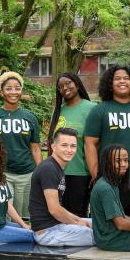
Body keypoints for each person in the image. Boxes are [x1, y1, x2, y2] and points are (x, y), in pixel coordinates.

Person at [85, 66, 130, 222]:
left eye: (126, 78)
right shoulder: (99, 111)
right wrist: (96, 174)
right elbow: (90, 144)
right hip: (112, 180)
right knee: (112, 225)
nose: (122, 81)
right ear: (110, 83)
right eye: (117, 78)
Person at [0, 71, 41, 220]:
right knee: (6, 215)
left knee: (25, 216)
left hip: (27, 174)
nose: (13, 92)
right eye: (8, 88)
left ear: (21, 90)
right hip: (2, 173)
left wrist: (40, 172)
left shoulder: (30, 118)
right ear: (1, 91)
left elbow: (35, 147)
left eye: (17, 88)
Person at [29, 128, 94, 247]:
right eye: (64, 145)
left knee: (102, 224)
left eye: (73, 146)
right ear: (53, 146)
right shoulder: (48, 168)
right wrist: (79, 222)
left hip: (59, 226)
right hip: (48, 233)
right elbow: (54, 209)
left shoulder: (57, 167)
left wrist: (79, 221)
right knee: (105, 235)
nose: (69, 150)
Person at [46, 72, 95, 217]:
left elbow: (96, 143)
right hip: (58, 173)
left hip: (81, 172)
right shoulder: (58, 110)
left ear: (77, 84)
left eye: (68, 83)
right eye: (60, 86)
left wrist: (95, 171)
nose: (65, 88)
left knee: (77, 217)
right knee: (59, 216)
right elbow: (52, 142)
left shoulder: (91, 108)